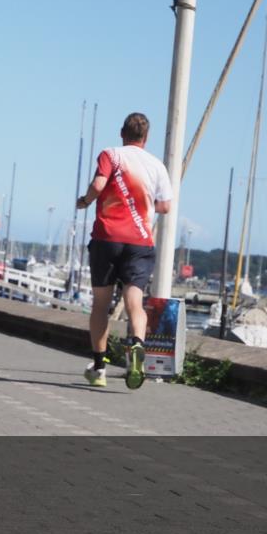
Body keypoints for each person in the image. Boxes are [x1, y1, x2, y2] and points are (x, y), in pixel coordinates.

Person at [76, 112, 173, 389]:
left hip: (107, 239)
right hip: (140, 242)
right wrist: (142, 204)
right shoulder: (157, 165)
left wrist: (84, 201)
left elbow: (98, 185)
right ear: (146, 137)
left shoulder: (111, 154)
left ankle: (98, 367)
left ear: (122, 133)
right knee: (135, 300)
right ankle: (138, 344)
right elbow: (165, 206)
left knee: (101, 304)